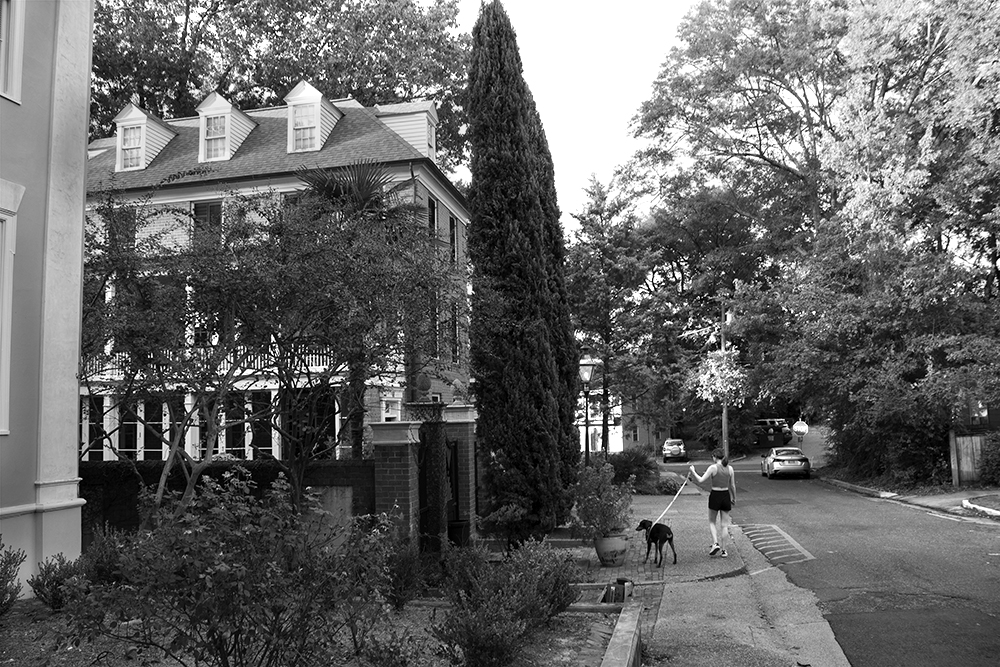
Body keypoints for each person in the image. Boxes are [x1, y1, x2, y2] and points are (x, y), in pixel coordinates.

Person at [689, 449, 736, 558]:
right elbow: (732, 485)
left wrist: (693, 471)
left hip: (715, 495)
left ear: (715, 457)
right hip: (725, 495)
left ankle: (715, 543)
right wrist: (734, 498)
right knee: (725, 525)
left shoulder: (713, 468)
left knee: (712, 522)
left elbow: (700, 480)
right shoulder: (730, 469)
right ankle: (724, 550)